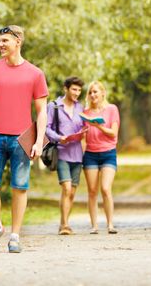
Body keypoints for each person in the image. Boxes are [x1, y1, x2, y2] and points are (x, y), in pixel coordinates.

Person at [0, 25, 48, 253]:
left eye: (5, 40)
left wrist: (38, 142)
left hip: (22, 138)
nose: (0, 44)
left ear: (18, 41)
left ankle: (15, 236)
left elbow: (42, 111)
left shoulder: (35, 73)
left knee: (19, 187)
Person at [46, 77, 86, 235]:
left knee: (72, 192)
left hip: (77, 155)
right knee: (66, 188)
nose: (77, 93)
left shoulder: (80, 108)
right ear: (66, 89)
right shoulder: (54, 106)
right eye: (74, 89)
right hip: (61, 152)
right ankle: (64, 225)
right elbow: (46, 128)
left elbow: (83, 127)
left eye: (79, 90)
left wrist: (84, 133)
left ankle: (64, 223)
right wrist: (58, 137)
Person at [82, 81, 120, 234]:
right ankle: (94, 226)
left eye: (95, 92)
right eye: (90, 92)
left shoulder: (111, 109)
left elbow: (113, 133)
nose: (92, 95)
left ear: (103, 93)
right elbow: (84, 136)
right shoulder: (85, 112)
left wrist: (98, 126)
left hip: (108, 153)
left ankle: (110, 224)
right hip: (90, 154)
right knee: (92, 191)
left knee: (105, 188)